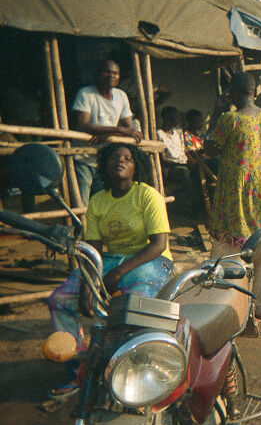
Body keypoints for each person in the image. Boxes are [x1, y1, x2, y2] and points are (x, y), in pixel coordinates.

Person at [46, 143, 172, 397]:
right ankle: (78, 370)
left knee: (129, 308)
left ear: (136, 166)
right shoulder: (98, 201)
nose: (121, 161)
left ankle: (124, 374)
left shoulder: (148, 196)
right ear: (104, 165)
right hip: (110, 260)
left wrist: (116, 274)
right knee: (59, 299)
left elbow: (159, 245)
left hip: (150, 260)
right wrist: (87, 287)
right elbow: (93, 250)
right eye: (115, 157)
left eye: (127, 158)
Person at [207, 72, 261, 321]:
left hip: (236, 191)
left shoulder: (229, 120)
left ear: (231, 93)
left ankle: (228, 304)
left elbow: (209, 145)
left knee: (229, 247)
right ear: (255, 93)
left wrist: (215, 111)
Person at [71, 59, 142, 203]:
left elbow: (131, 129)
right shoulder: (86, 93)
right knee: (81, 202)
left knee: (102, 201)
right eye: (107, 72)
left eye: (115, 73)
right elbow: (83, 124)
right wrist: (118, 129)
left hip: (106, 158)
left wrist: (107, 134)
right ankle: (79, 226)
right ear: (97, 74)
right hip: (83, 155)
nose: (111, 75)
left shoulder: (121, 95)